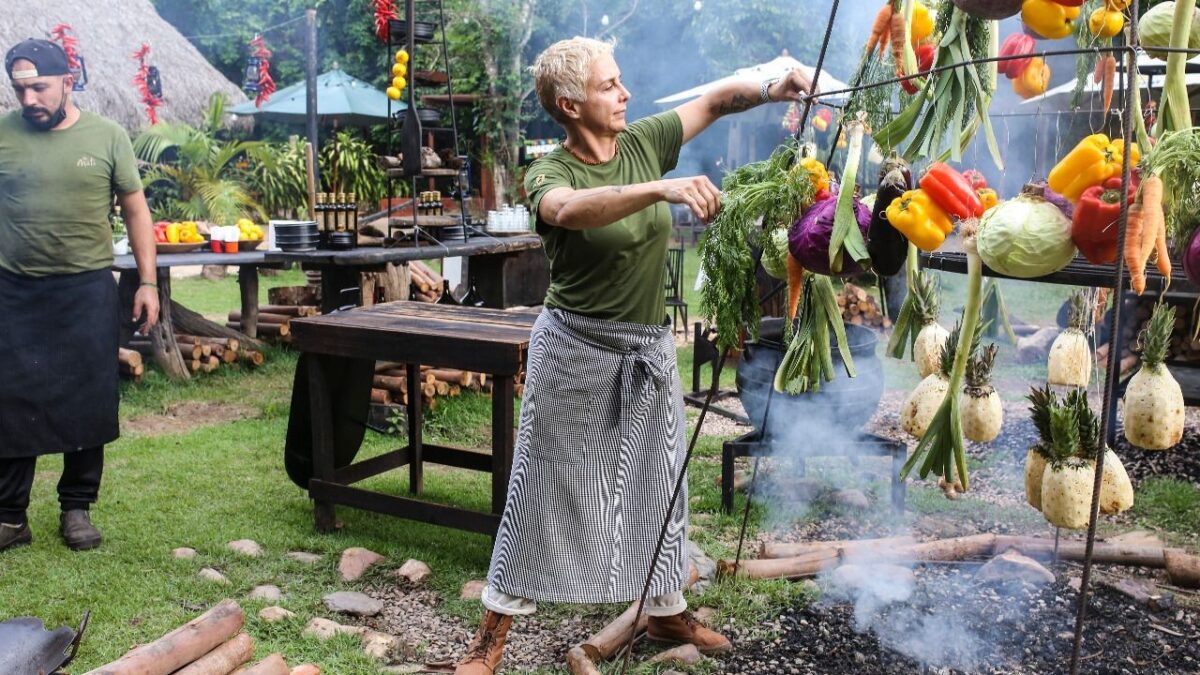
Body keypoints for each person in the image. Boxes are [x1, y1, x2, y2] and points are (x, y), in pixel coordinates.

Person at [453, 37, 813, 675]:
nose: (625, 94)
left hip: (645, 348)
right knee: (545, 482)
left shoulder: (645, 138)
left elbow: (716, 100)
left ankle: (666, 609)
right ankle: (490, 638)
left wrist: (773, 85)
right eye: (608, 86)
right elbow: (567, 211)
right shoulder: (551, 172)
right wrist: (658, 191)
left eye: (620, 81)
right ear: (570, 105)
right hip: (575, 349)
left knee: (661, 481)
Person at [0, 39, 158, 553]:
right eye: (20, 89)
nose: (29, 100)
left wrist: (149, 282)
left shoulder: (107, 135)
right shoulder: (2, 134)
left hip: (86, 288)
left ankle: (76, 508)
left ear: (68, 82)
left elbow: (136, 212)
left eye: (39, 87)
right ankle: (9, 517)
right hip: (14, 289)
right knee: (8, 399)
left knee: (88, 399)